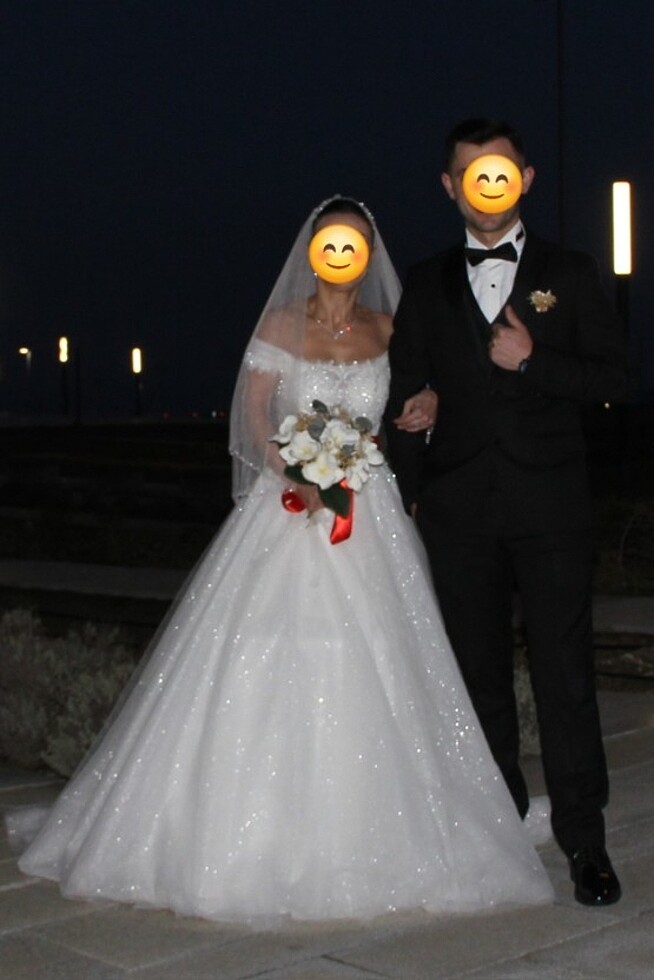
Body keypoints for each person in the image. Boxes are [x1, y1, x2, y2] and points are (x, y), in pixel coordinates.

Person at [9, 196, 552, 926]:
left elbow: (425, 391)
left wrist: (424, 403)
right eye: (332, 242)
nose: (343, 254)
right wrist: (298, 471)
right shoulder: (280, 324)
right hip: (292, 505)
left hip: (370, 509)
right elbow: (256, 415)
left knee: (385, 652)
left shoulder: (390, 328)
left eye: (355, 242)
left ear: (368, 252)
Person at [385, 120, 627, 907]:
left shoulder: (571, 271)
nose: (485, 185)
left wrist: (534, 362)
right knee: (477, 677)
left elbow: (611, 378)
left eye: (500, 169)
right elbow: (405, 390)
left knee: (564, 674)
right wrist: (412, 452)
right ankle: (501, 823)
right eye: (468, 172)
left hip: (551, 505)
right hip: (457, 510)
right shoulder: (425, 282)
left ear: (524, 177)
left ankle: (585, 841)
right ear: (450, 187)